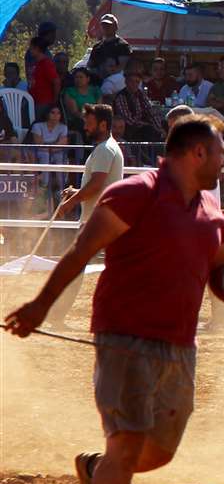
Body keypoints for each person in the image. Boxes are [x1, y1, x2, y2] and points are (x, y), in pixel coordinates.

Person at [4, 115, 224, 484]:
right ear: (196, 152)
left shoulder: (210, 212)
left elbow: (221, 268)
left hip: (180, 344)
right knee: (129, 440)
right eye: (220, 151)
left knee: (161, 451)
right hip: (125, 338)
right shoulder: (133, 194)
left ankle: (97, 471)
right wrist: (39, 306)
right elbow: (80, 252)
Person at [45, 104, 125, 329]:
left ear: (102, 124)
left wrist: (71, 202)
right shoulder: (106, 148)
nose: (85, 126)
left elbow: (96, 184)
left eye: (89, 122)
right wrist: (75, 193)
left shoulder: (104, 150)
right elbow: (96, 184)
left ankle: (57, 315)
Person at [111, 68, 166, 142]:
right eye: (131, 81)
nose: (134, 84)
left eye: (137, 82)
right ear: (126, 82)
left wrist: (159, 128)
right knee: (149, 130)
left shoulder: (141, 95)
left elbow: (151, 112)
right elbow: (128, 119)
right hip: (129, 129)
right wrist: (146, 125)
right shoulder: (121, 96)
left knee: (164, 125)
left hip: (144, 127)